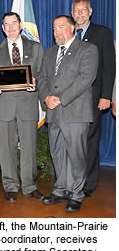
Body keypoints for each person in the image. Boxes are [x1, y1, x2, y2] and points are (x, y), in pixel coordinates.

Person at [38, 15, 97, 212]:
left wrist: (60, 99)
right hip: (53, 112)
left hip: (75, 112)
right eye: (54, 29)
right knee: (58, 153)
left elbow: (86, 78)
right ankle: (60, 189)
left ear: (72, 28)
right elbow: (42, 78)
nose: (56, 32)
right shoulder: (49, 53)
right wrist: (46, 98)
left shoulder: (87, 49)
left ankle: (77, 194)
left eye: (61, 27)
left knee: (76, 154)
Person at [0, 12, 44, 203]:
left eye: (14, 23)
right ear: (2, 28)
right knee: (6, 149)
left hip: (28, 105)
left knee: (29, 148)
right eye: (6, 24)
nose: (10, 27)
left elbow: (42, 75)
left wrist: (36, 83)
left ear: (20, 25)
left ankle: (30, 186)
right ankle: (10, 186)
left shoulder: (35, 47)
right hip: (4, 107)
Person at [70, 0, 116, 198]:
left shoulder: (102, 33)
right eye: (76, 11)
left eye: (83, 10)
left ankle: (88, 184)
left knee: (89, 141)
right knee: (72, 141)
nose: (80, 14)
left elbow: (109, 67)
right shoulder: (67, 33)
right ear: (72, 13)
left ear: (90, 12)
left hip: (93, 98)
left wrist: (106, 95)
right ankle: (73, 180)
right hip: (70, 99)